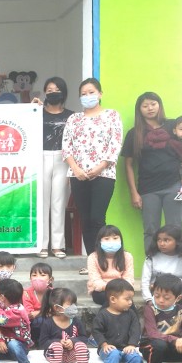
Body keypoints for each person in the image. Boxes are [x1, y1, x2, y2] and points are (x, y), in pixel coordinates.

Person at [61, 78, 123, 263]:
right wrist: (75, 169)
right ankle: (91, 261)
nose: (87, 96)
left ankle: (105, 260)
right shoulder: (74, 119)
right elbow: (66, 146)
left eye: (91, 92)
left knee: (97, 218)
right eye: (83, 94)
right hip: (78, 175)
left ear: (100, 94)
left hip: (103, 174)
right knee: (85, 220)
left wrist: (100, 167)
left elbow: (115, 144)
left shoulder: (112, 115)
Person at [120, 92, 182, 252]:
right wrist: (134, 193)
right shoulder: (134, 133)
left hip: (174, 185)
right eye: (145, 105)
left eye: (153, 103)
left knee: (175, 228)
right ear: (139, 109)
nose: (150, 108)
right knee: (150, 229)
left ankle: (179, 266)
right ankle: (153, 267)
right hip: (148, 189)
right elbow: (128, 165)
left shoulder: (173, 126)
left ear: (159, 105)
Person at [35, 77, 73, 258]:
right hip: (40, 156)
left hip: (63, 158)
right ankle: (42, 245)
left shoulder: (72, 116)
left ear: (63, 92)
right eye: (48, 89)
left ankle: (57, 245)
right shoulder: (37, 113)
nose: (52, 92)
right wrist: (31, 107)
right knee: (42, 203)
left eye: (56, 89)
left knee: (59, 202)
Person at [91, 278, 143, 363]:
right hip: (108, 347)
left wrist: (132, 344)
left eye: (131, 299)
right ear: (113, 299)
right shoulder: (103, 315)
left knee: (135, 357)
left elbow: (136, 330)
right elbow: (97, 331)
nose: (130, 302)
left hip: (126, 347)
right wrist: (104, 344)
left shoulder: (131, 314)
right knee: (113, 353)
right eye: (127, 299)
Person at [36, 287, 89, 363]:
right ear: (57, 308)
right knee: (56, 345)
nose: (74, 307)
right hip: (54, 356)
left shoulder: (76, 321)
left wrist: (73, 341)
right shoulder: (48, 323)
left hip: (71, 356)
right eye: (70, 305)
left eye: (74, 304)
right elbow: (42, 342)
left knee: (81, 345)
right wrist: (57, 342)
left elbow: (84, 338)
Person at [0, 278, 40, 363]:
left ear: (2, 297)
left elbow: (0, 320)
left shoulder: (18, 312)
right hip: (2, 347)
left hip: (18, 348)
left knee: (13, 343)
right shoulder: (4, 308)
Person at [86, 225, 135, 306]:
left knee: (127, 301)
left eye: (115, 238)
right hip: (101, 291)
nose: (111, 241)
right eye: (106, 239)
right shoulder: (93, 257)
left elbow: (129, 278)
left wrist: (120, 289)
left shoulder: (127, 256)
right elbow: (95, 281)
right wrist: (112, 288)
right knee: (112, 299)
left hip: (122, 290)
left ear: (121, 240)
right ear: (100, 241)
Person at [141, 225, 182, 300]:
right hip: (156, 294)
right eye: (159, 240)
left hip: (176, 294)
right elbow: (145, 282)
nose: (161, 244)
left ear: (178, 241)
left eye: (166, 240)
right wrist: (148, 299)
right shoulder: (152, 258)